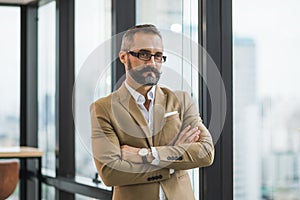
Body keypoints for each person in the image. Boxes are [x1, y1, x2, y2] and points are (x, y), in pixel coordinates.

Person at [90, 24, 214, 200]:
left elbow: (206, 152)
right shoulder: (103, 108)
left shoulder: (181, 100)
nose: (152, 63)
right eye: (144, 54)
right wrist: (172, 161)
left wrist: (146, 155)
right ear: (124, 57)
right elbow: (110, 173)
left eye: (158, 56)